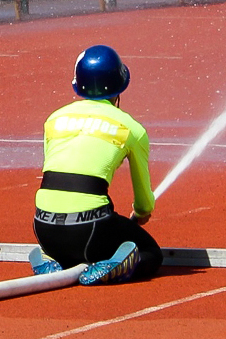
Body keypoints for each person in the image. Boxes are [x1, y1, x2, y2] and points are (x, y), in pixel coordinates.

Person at [29, 44, 163, 286]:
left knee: (78, 242)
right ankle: (113, 267)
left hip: (43, 228)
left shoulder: (54, 119)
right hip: (90, 229)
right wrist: (141, 214)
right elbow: (144, 201)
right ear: (119, 85)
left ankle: (51, 259)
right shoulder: (132, 129)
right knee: (151, 253)